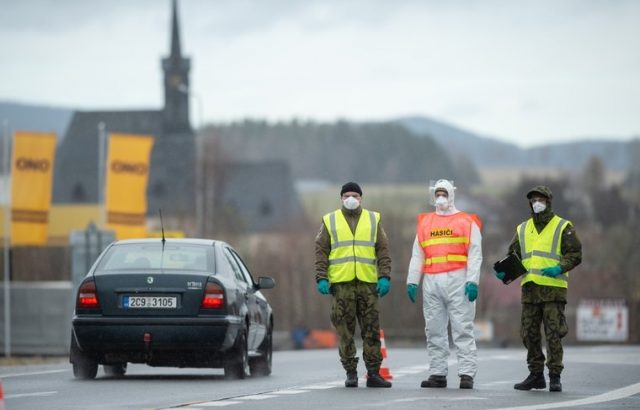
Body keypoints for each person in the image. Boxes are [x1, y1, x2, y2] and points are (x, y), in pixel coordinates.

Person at [494, 185, 581, 393]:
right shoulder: (523, 228)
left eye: (540, 199)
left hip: (553, 290)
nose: (536, 203)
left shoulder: (563, 226)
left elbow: (576, 254)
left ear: (548, 201)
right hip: (530, 290)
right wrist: (504, 271)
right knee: (529, 334)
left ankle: (554, 376)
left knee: (553, 334)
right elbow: (513, 254)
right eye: (533, 200)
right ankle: (536, 375)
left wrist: (559, 267)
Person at [406, 179, 482, 389]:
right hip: (431, 282)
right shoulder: (425, 222)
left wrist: (472, 281)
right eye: (437, 193)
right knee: (433, 329)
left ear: (451, 195)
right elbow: (417, 254)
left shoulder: (467, 222)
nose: (440, 198)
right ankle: (437, 373)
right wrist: (412, 281)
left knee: (462, 328)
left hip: (459, 280)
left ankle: (466, 373)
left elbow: (475, 254)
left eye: (444, 193)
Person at [315, 181, 392, 388]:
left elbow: (383, 250)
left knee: (371, 329)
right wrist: (321, 277)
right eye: (347, 195)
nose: (351, 198)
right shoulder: (330, 220)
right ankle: (351, 372)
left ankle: (374, 373)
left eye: (355, 195)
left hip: (368, 284)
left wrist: (385, 276)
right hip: (342, 285)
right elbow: (321, 251)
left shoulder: (373, 219)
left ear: (361, 198)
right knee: (344, 330)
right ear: (341, 197)